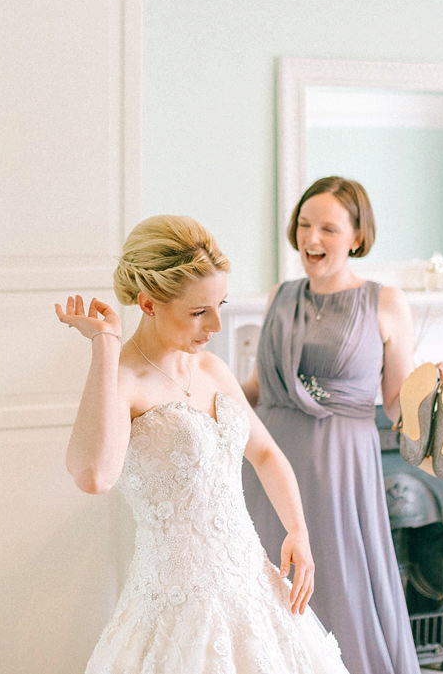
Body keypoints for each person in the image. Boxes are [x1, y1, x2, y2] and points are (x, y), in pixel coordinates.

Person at [55, 214, 350, 674]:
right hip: (176, 609)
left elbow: (266, 453)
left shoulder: (212, 369)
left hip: (252, 586)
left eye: (220, 305)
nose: (215, 324)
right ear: (148, 304)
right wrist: (106, 346)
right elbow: (94, 475)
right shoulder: (124, 381)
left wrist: (298, 530)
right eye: (198, 312)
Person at [241, 175, 443, 674]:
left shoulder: (385, 302)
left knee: (340, 588)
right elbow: (255, 388)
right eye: (303, 225)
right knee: (264, 593)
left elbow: (394, 404)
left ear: (357, 237)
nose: (311, 239)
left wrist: (432, 395)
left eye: (327, 228)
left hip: (338, 469)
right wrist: (193, 396)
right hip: (268, 463)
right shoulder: (280, 294)